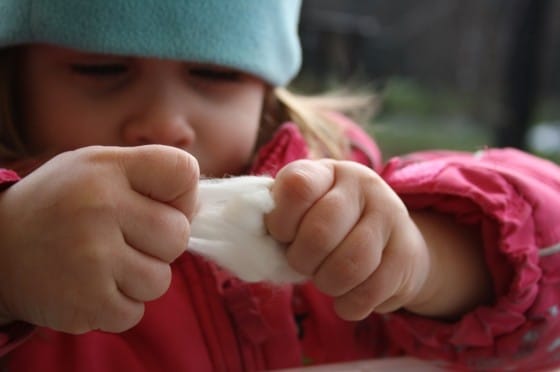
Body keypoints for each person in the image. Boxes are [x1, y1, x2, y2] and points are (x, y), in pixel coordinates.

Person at [0, 1, 558, 371]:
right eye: (101, 70)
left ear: (267, 93)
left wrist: (426, 257)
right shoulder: (20, 239)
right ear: (15, 81)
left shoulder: (336, 187)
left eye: (216, 74)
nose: (166, 122)